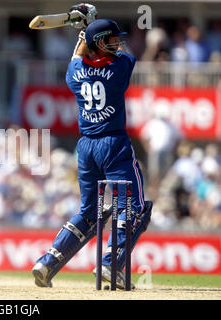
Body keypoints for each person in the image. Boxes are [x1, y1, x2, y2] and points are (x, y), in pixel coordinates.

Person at [32, 6, 153, 290]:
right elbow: (132, 52)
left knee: (89, 212)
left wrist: (86, 29)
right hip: (114, 144)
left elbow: (78, 54)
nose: (117, 44)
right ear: (100, 43)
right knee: (135, 208)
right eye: (112, 40)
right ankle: (111, 264)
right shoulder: (119, 69)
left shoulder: (74, 73)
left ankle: (47, 262)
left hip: (85, 148)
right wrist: (91, 25)